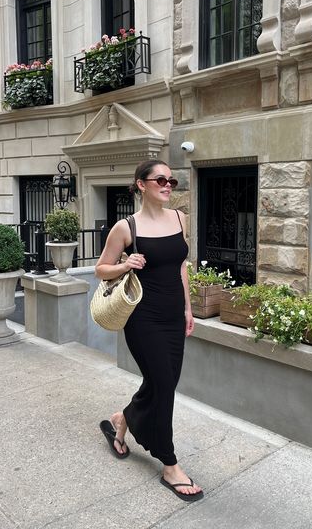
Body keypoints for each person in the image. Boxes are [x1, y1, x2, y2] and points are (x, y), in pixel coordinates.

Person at [95, 159, 204, 502]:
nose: (168, 184)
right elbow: (101, 269)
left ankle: (123, 419)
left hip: (173, 315)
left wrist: (187, 308)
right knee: (164, 387)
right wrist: (126, 263)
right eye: (161, 179)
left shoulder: (179, 218)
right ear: (141, 184)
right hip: (143, 319)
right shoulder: (127, 228)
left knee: (164, 382)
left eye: (171, 180)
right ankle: (169, 464)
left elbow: (181, 267)